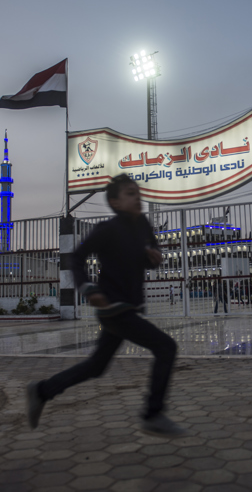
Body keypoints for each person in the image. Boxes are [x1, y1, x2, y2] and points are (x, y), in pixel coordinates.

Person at [26, 174, 185, 437]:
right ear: (115, 202)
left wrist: (154, 258)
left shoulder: (143, 225)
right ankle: (152, 414)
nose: (138, 198)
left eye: (138, 193)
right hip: (114, 308)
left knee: (97, 366)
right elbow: (76, 259)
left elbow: (148, 255)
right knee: (166, 347)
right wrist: (89, 289)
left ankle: (41, 391)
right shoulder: (107, 229)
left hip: (128, 308)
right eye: (130, 194)